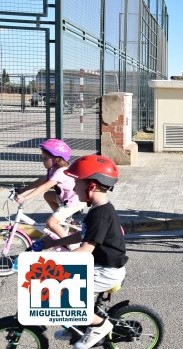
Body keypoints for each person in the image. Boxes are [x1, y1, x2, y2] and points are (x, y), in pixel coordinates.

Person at [39, 155, 128, 349]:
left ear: (92, 187)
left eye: (77, 183)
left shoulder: (101, 214)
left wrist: (52, 262)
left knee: (67, 298)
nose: (73, 188)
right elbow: (82, 236)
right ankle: (77, 326)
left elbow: (87, 249)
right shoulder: (96, 210)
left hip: (108, 270)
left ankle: (100, 326)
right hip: (100, 265)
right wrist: (52, 243)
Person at [16, 139, 85, 238]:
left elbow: (45, 186)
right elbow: (40, 181)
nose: (42, 160)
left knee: (51, 223)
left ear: (56, 159)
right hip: (66, 198)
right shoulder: (53, 170)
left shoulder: (61, 172)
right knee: (48, 196)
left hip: (73, 202)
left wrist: (25, 198)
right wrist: (22, 190)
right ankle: (62, 220)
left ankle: (70, 245)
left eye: (45, 158)